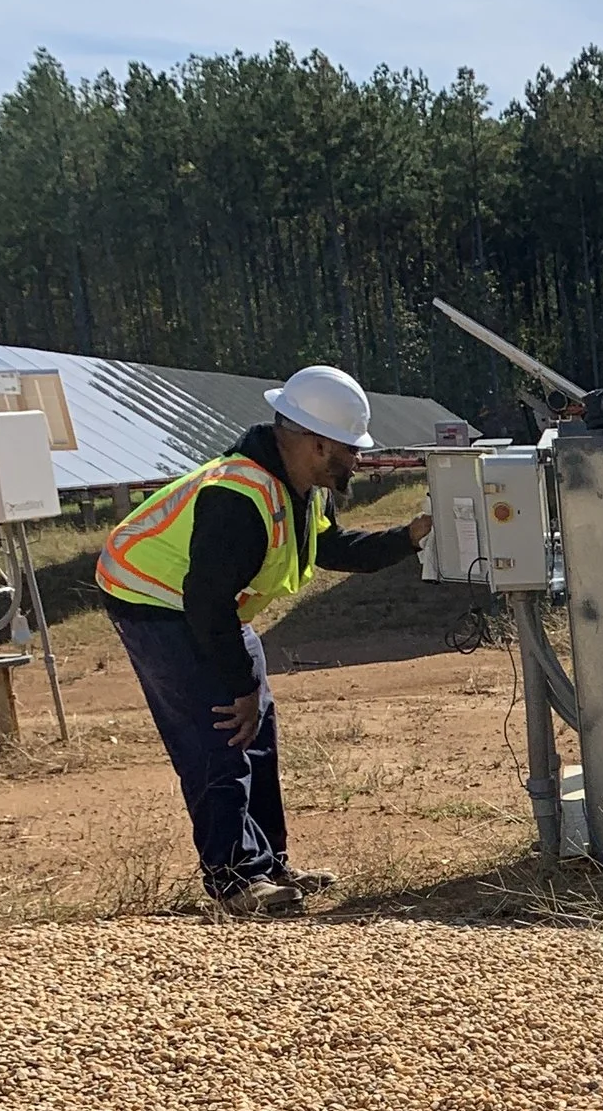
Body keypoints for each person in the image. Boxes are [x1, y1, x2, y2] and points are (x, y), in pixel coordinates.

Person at [95, 365, 430, 915]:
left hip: (207, 608)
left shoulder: (297, 488)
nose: (359, 460)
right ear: (318, 444)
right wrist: (240, 686)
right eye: (351, 449)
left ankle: (269, 865)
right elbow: (206, 605)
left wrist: (409, 537)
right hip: (154, 601)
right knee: (222, 729)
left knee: (259, 730)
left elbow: (333, 548)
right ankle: (234, 883)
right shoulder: (237, 496)